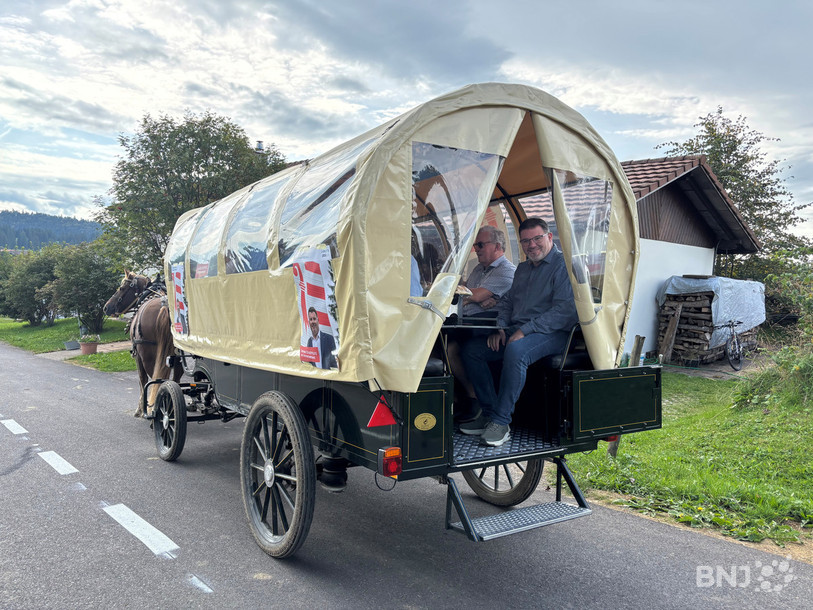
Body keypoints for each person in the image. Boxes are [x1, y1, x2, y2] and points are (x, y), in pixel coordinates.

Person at [460, 218, 578, 446]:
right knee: (472, 350)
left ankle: (501, 422)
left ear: (549, 237)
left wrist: (524, 330)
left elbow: (565, 311)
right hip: (519, 329)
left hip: (555, 332)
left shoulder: (563, 266)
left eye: (537, 238)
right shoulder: (523, 269)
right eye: (525, 241)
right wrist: (501, 327)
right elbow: (507, 303)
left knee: (516, 350)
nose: (532, 245)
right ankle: (490, 413)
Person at [447, 225, 516, 422]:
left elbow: (467, 294)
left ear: (497, 246)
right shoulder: (479, 269)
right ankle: (460, 398)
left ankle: (475, 400)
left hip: (488, 327)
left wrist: (473, 296)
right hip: (468, 323)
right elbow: (464, 295)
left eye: (480, 244)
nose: (475, 249)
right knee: (441, 345)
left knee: (456, 348)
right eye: (475, 245)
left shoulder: (506, 271)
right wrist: (473, 297)